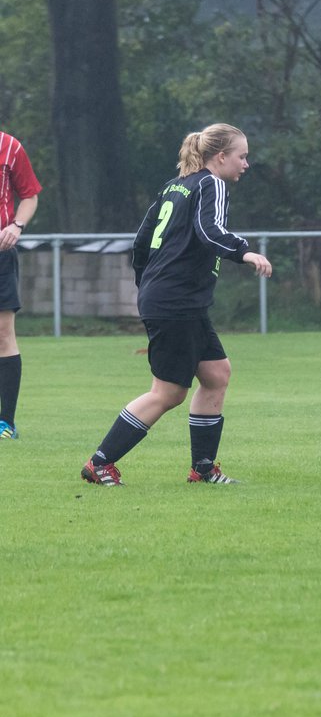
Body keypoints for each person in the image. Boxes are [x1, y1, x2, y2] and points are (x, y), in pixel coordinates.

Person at [81, 123, 273, 486]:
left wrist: (148, 285)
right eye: (242, 156)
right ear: (221, 157)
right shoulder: (210, 183)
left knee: (217, 375)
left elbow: (141, 242)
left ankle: (202, 469)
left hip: (176, 300)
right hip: (176, 301)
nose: (246, 164)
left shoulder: (175, 186)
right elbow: (209, 231)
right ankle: (99, 463)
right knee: (168, 393)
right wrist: (245, 251)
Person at [0, 129, 42, 440]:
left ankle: (6, 423)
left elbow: (29, 194)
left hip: (1, 254)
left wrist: (17, 225)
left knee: (4, 335)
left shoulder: (9, 145)